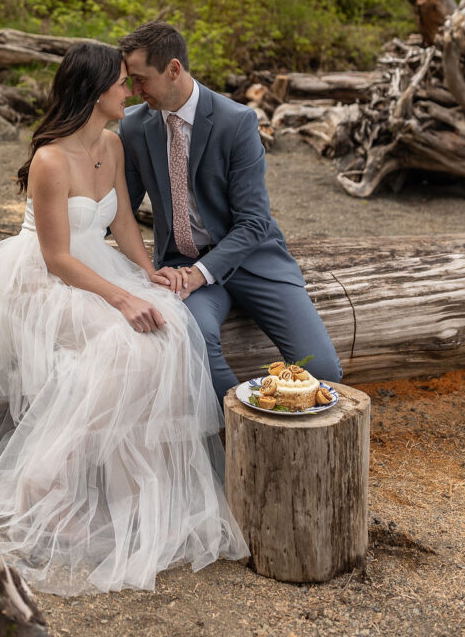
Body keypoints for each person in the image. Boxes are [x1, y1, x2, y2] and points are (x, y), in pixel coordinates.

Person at [0, 42, 248, 595]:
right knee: (126, 344)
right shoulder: (48, 159)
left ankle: (124, 486)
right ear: (93, 92)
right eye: (119, 82)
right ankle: (47, 474)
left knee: (168, 330)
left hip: (99, 265)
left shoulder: (112, 145)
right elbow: (57, 257)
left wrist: (148, 274)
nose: (128, 90)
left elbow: (125, 226)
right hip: (43, 280)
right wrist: (121, 298)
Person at [118, 21, 343, 406]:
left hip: (254, 262)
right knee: (196, 348)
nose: (134, 91)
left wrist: (201, 273)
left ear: (173, 69)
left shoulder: (236, 121)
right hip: (179, 266)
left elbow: (254, 222)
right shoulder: (134, 126)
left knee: (323, 369)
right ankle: (247, 426)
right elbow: (120, 208)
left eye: (140, 80)